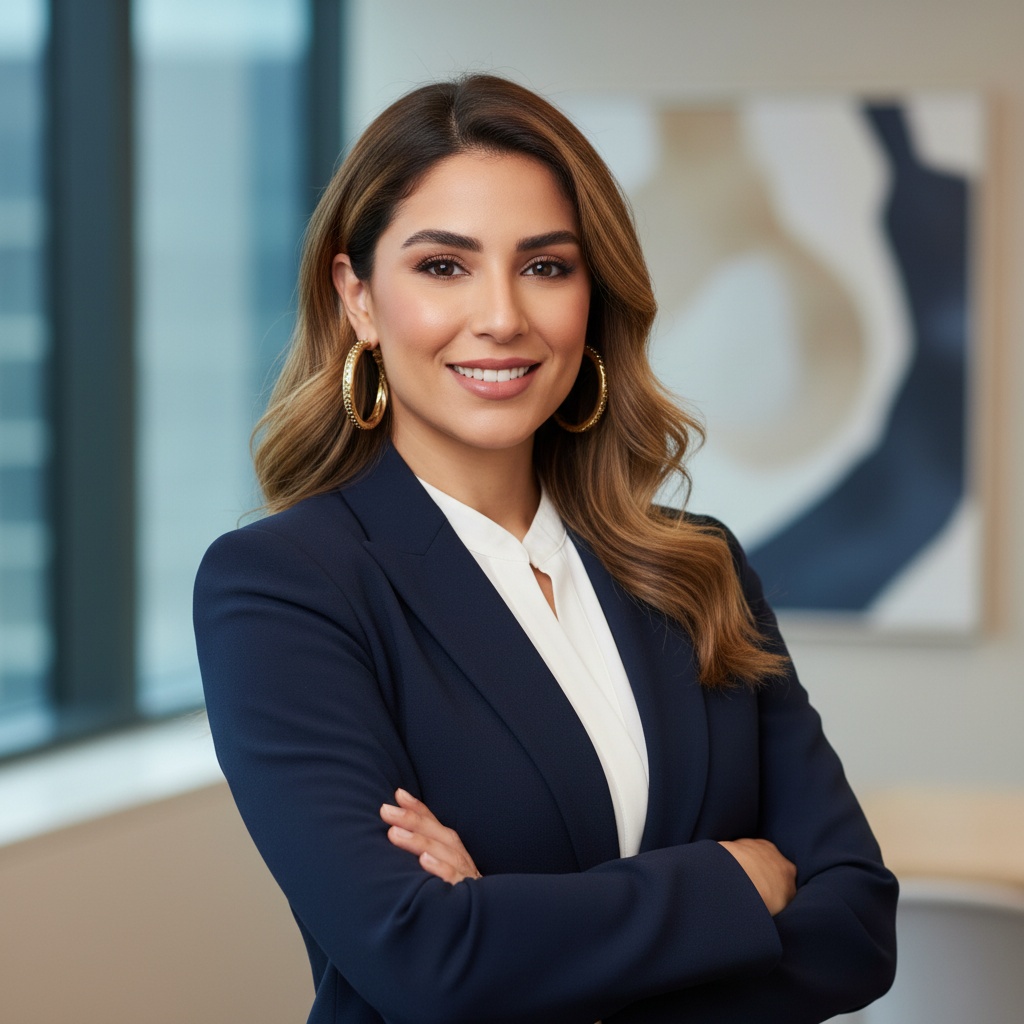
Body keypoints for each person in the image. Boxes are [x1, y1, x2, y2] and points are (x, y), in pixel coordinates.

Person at [193, 74, 897, 1024]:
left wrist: (515, 931)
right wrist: (734, 880)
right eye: (444, 266)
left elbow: (856, 929)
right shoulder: (284, 588)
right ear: (357, 295)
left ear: (591, 295)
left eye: (546, 266)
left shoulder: (698, 568)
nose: (502, 317)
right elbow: (426, 961)